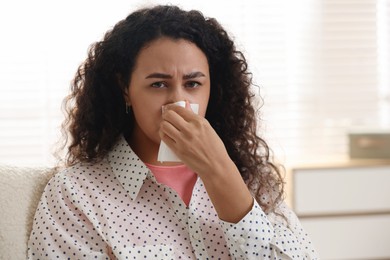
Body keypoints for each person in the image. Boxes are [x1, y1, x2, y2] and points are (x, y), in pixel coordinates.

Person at [27, 5, 318, 259]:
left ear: (211, 90)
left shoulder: (251, 179)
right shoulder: (77, 193)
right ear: (125, 90)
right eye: (158, 84)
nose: (177, 101)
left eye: (192, 84)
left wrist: (220, 173)